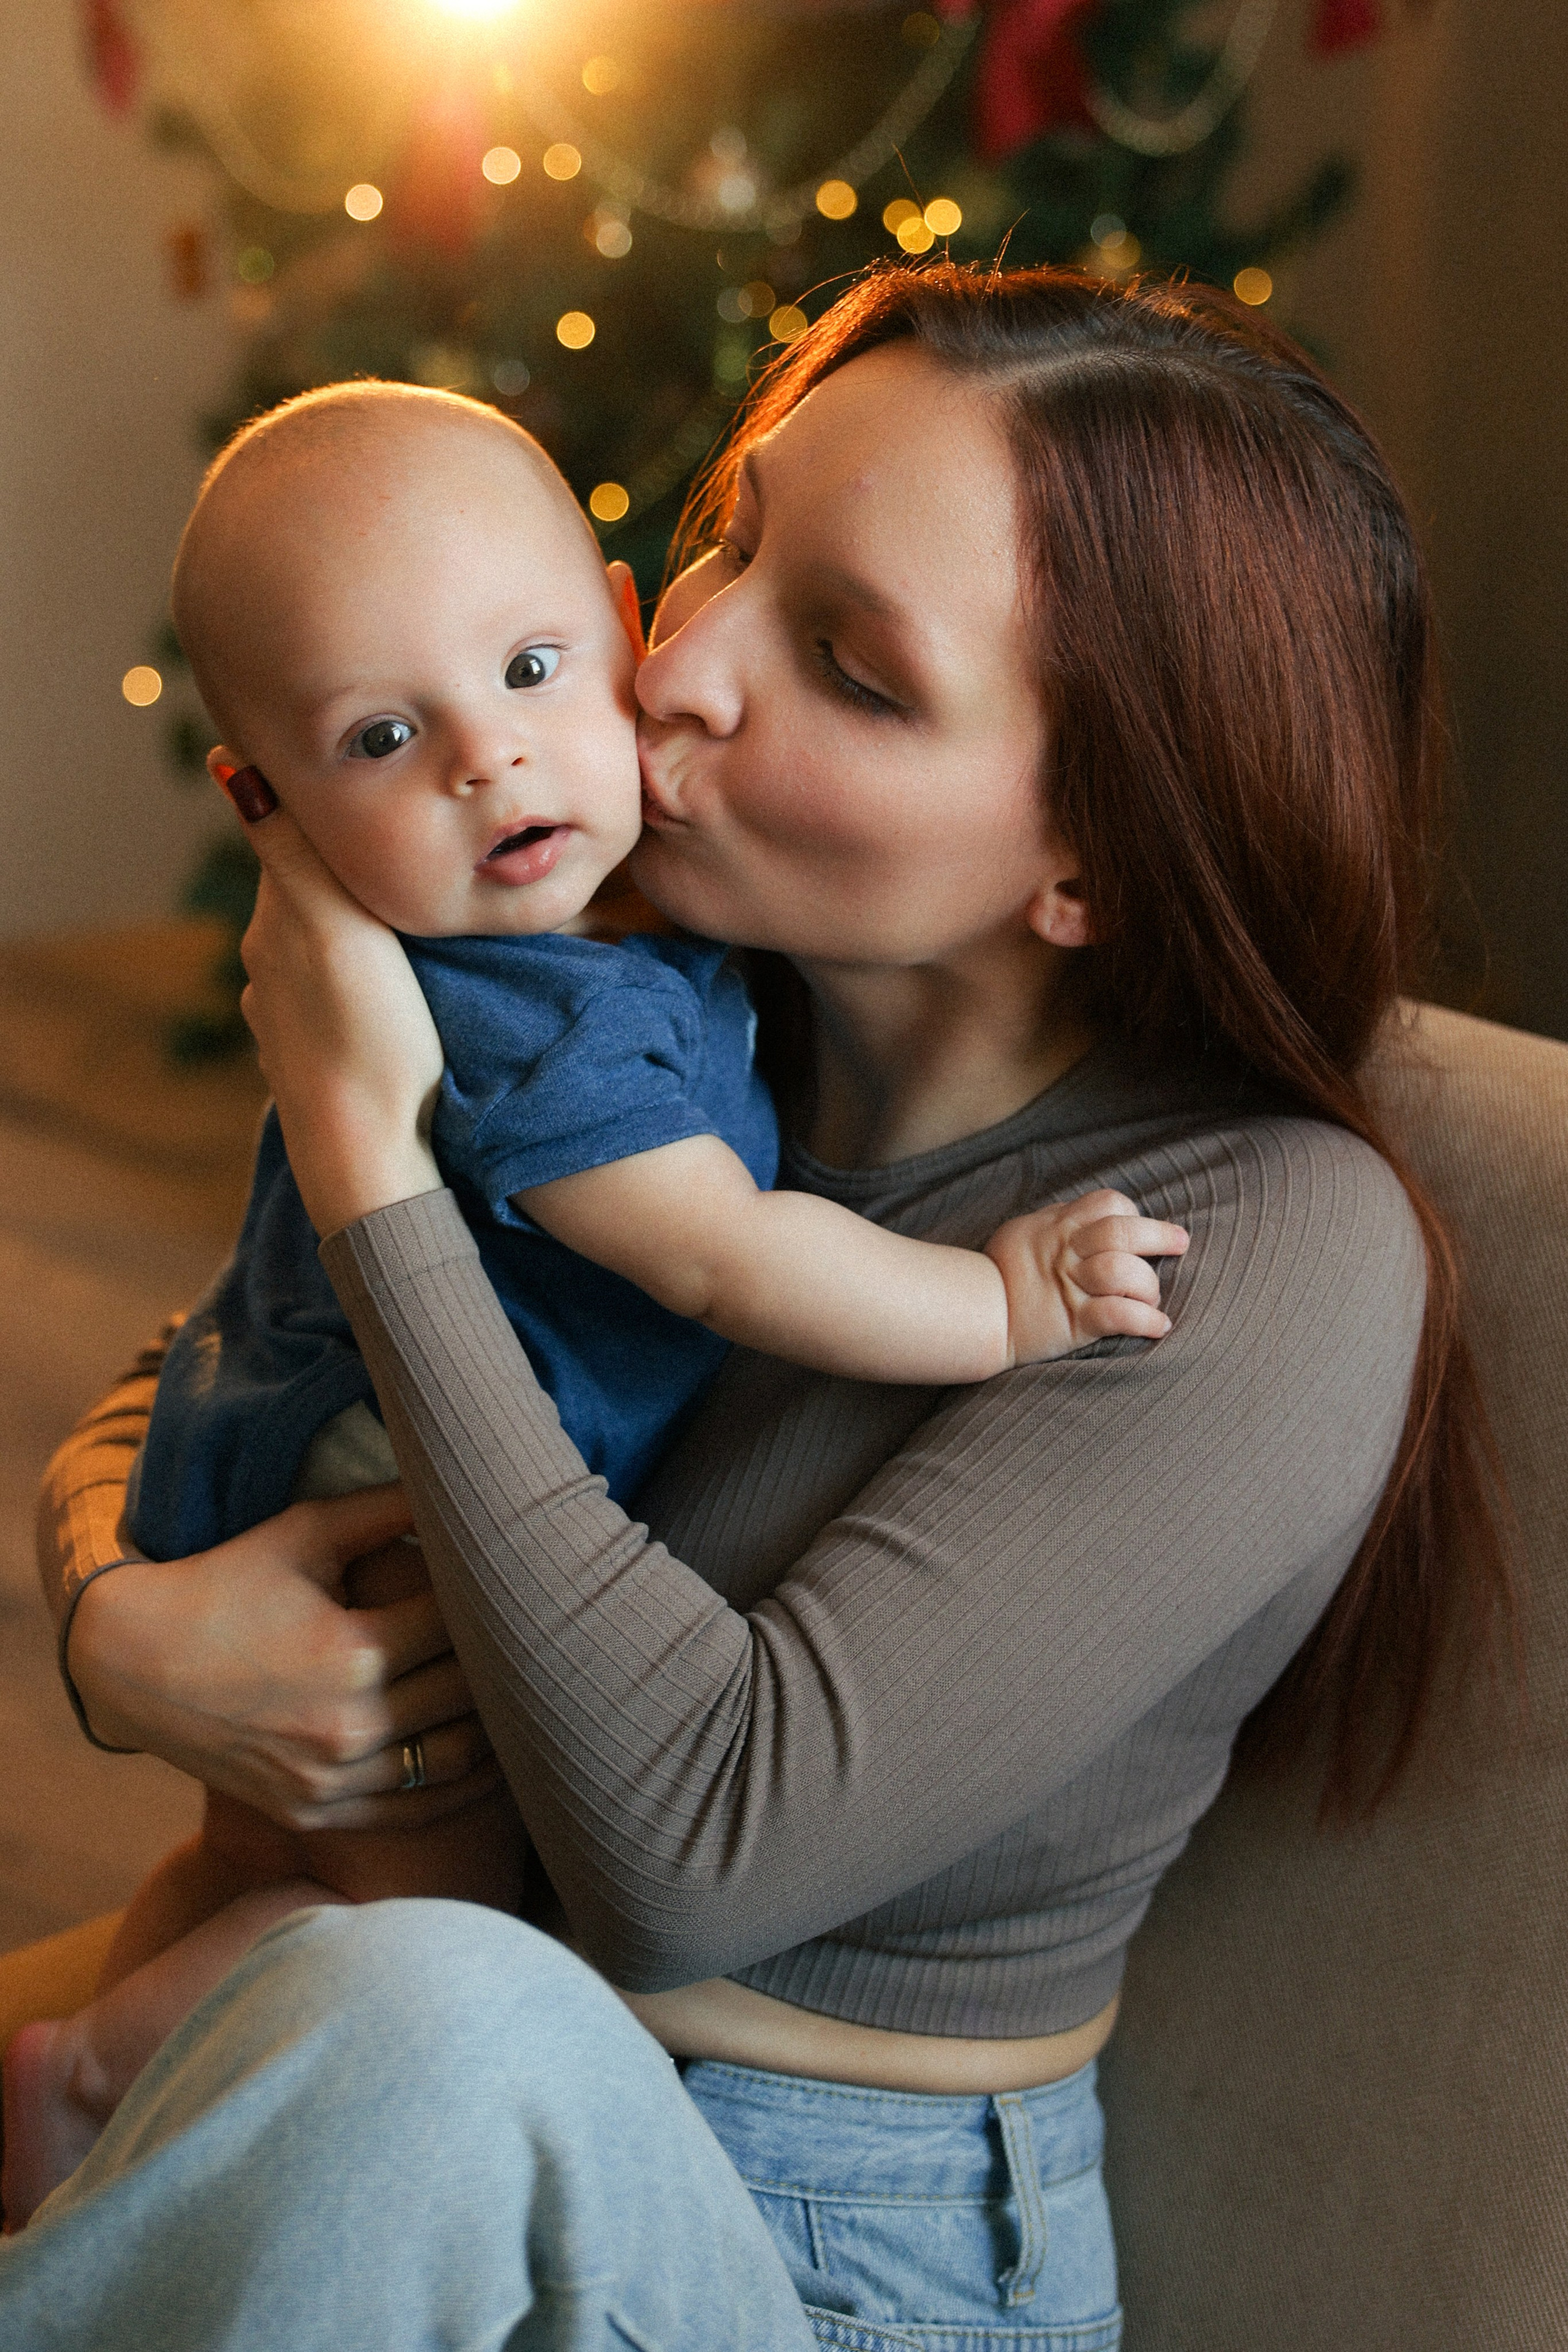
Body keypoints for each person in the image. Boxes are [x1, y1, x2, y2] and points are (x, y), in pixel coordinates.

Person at [6, 264, 1510, 2352]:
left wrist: (367, 1148)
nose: (680, 664)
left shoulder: (1257, 1242)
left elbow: (686, 1856)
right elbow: (232, 1363)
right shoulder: (679, 1018)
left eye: (850, 666)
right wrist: (114, 1621)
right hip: (376, 2102)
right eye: (731, 537)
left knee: (439, 2019)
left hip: (822, 2254)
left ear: (1092, 852)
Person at [1, 380, 1184, 2226]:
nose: (490, 761)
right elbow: (716, 1249)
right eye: (385, 735)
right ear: (269, 806)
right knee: (435, 1922)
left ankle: (96, 2057)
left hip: (284, 1425)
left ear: (621, 629)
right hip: (387, 1478)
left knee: (252, 1855)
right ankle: (93, 2073)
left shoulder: (628, 926)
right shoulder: (534, 1013)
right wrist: (1004, 1304)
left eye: (538, 669)